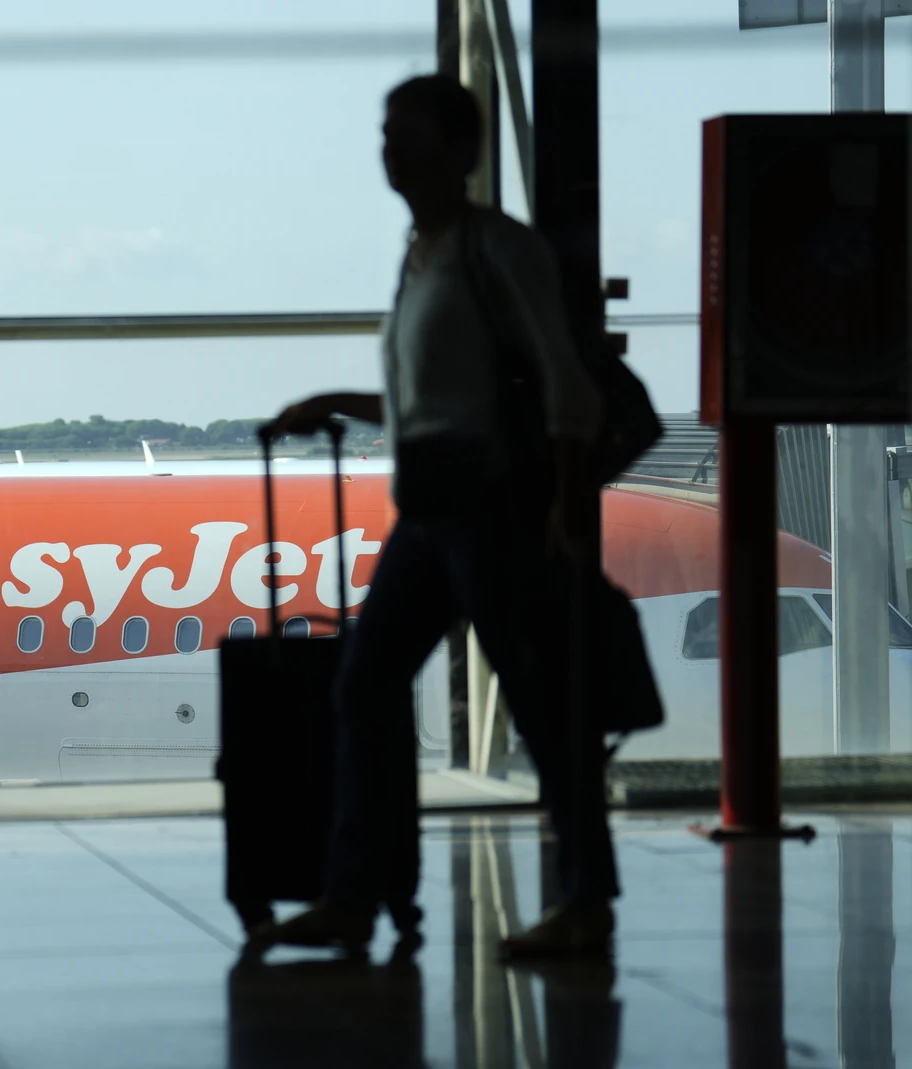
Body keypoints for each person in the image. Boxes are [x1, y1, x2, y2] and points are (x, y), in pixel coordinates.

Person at [255, 74, 618, 958]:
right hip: (430, 509)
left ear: (461, 151)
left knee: (537, 707)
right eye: (385, 134)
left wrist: (569, 499)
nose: (390, 151)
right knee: (364, 687)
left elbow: (568, 382)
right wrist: (332, 400)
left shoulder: (498, 250)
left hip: (492, 508)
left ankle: (584, 900)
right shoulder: (421, 254)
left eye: (407, 135)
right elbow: (434, 395)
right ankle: (354, 895)